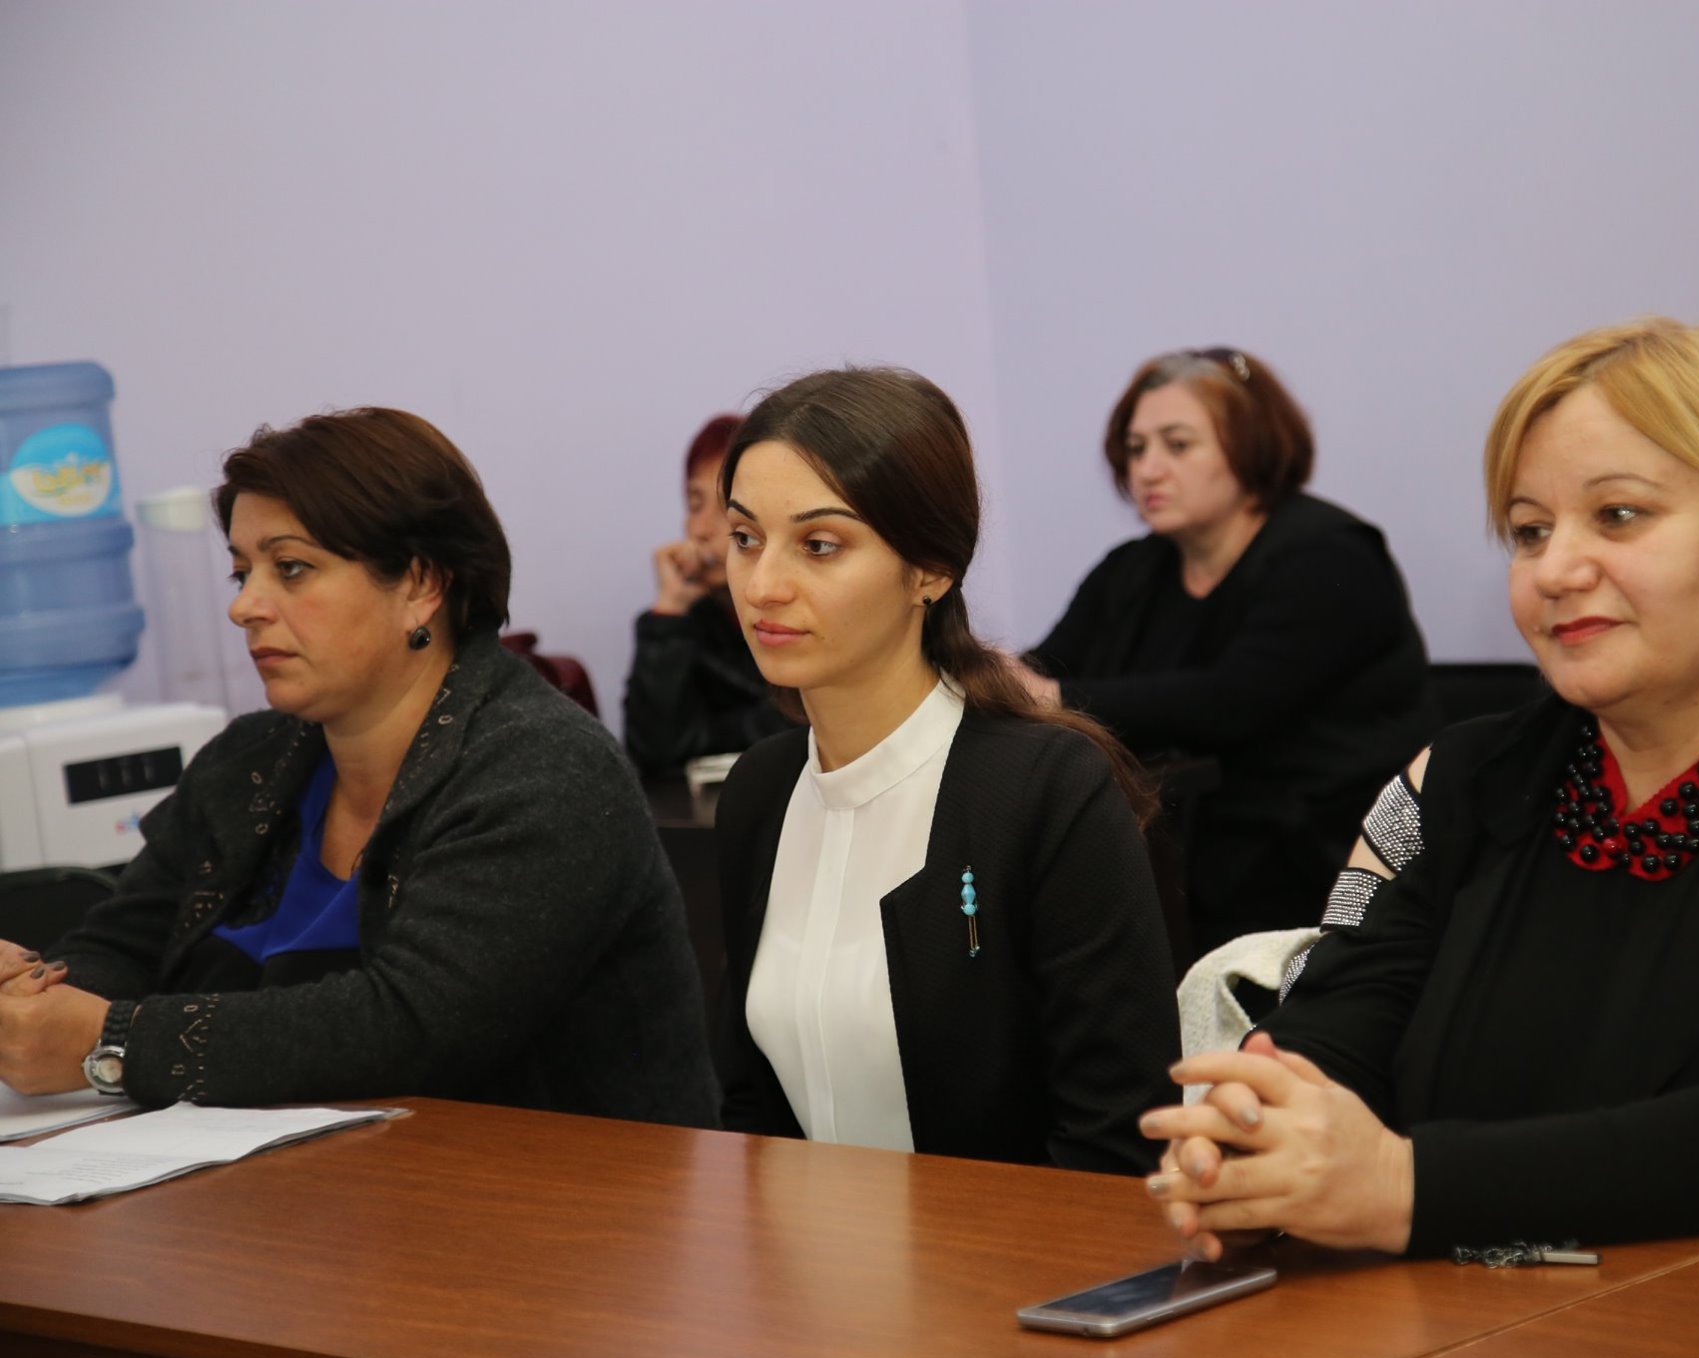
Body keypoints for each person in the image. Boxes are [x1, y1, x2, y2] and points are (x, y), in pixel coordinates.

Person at [1142, 320, 1699, 1281]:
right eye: (1530, 531)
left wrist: (1404, 1185)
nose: (1556, 570)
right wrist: (1252, 1145)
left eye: (1617, 515)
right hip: (1468, 1323)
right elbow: (1332, 1037)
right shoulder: (1454, 780)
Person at [0, 408, 720, 1127]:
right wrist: (29, 1001)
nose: (245, 606)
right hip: (279, 1181)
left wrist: (113, 1042)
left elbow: (412, 1026)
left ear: (421, 585)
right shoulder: (248, 761)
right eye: (242, 572)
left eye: (291, 568)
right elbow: (121, 948)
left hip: (546, 1187)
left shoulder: (545, 768)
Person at [713, 367, 1179, 1175]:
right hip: (805, 1249)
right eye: (745, 538)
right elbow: (751, 1111)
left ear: (930, 568)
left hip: (1018, 1251)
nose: (763, 586)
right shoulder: (761, 791)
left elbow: (1115, 1142)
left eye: (819, 546)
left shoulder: (1043, 789)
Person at [1020, 348, 1433, 950]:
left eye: (1177, 445)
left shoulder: (1331, 555)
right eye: (1136, 449)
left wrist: (1055, 696)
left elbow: (1235, 700)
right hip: (1176, 854)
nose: (1148, 470)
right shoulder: (1132, 569)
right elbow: (1042, 668)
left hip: (1319, 864)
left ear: (1250, 446)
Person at [622, 413, 795, 776]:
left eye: (725, 507)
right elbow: (653, 754)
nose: (700, 529)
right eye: (695, 503)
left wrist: (704, 738)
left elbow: (800, 723)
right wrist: (669, 613)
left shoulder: (799, 604)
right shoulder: (690, 622)